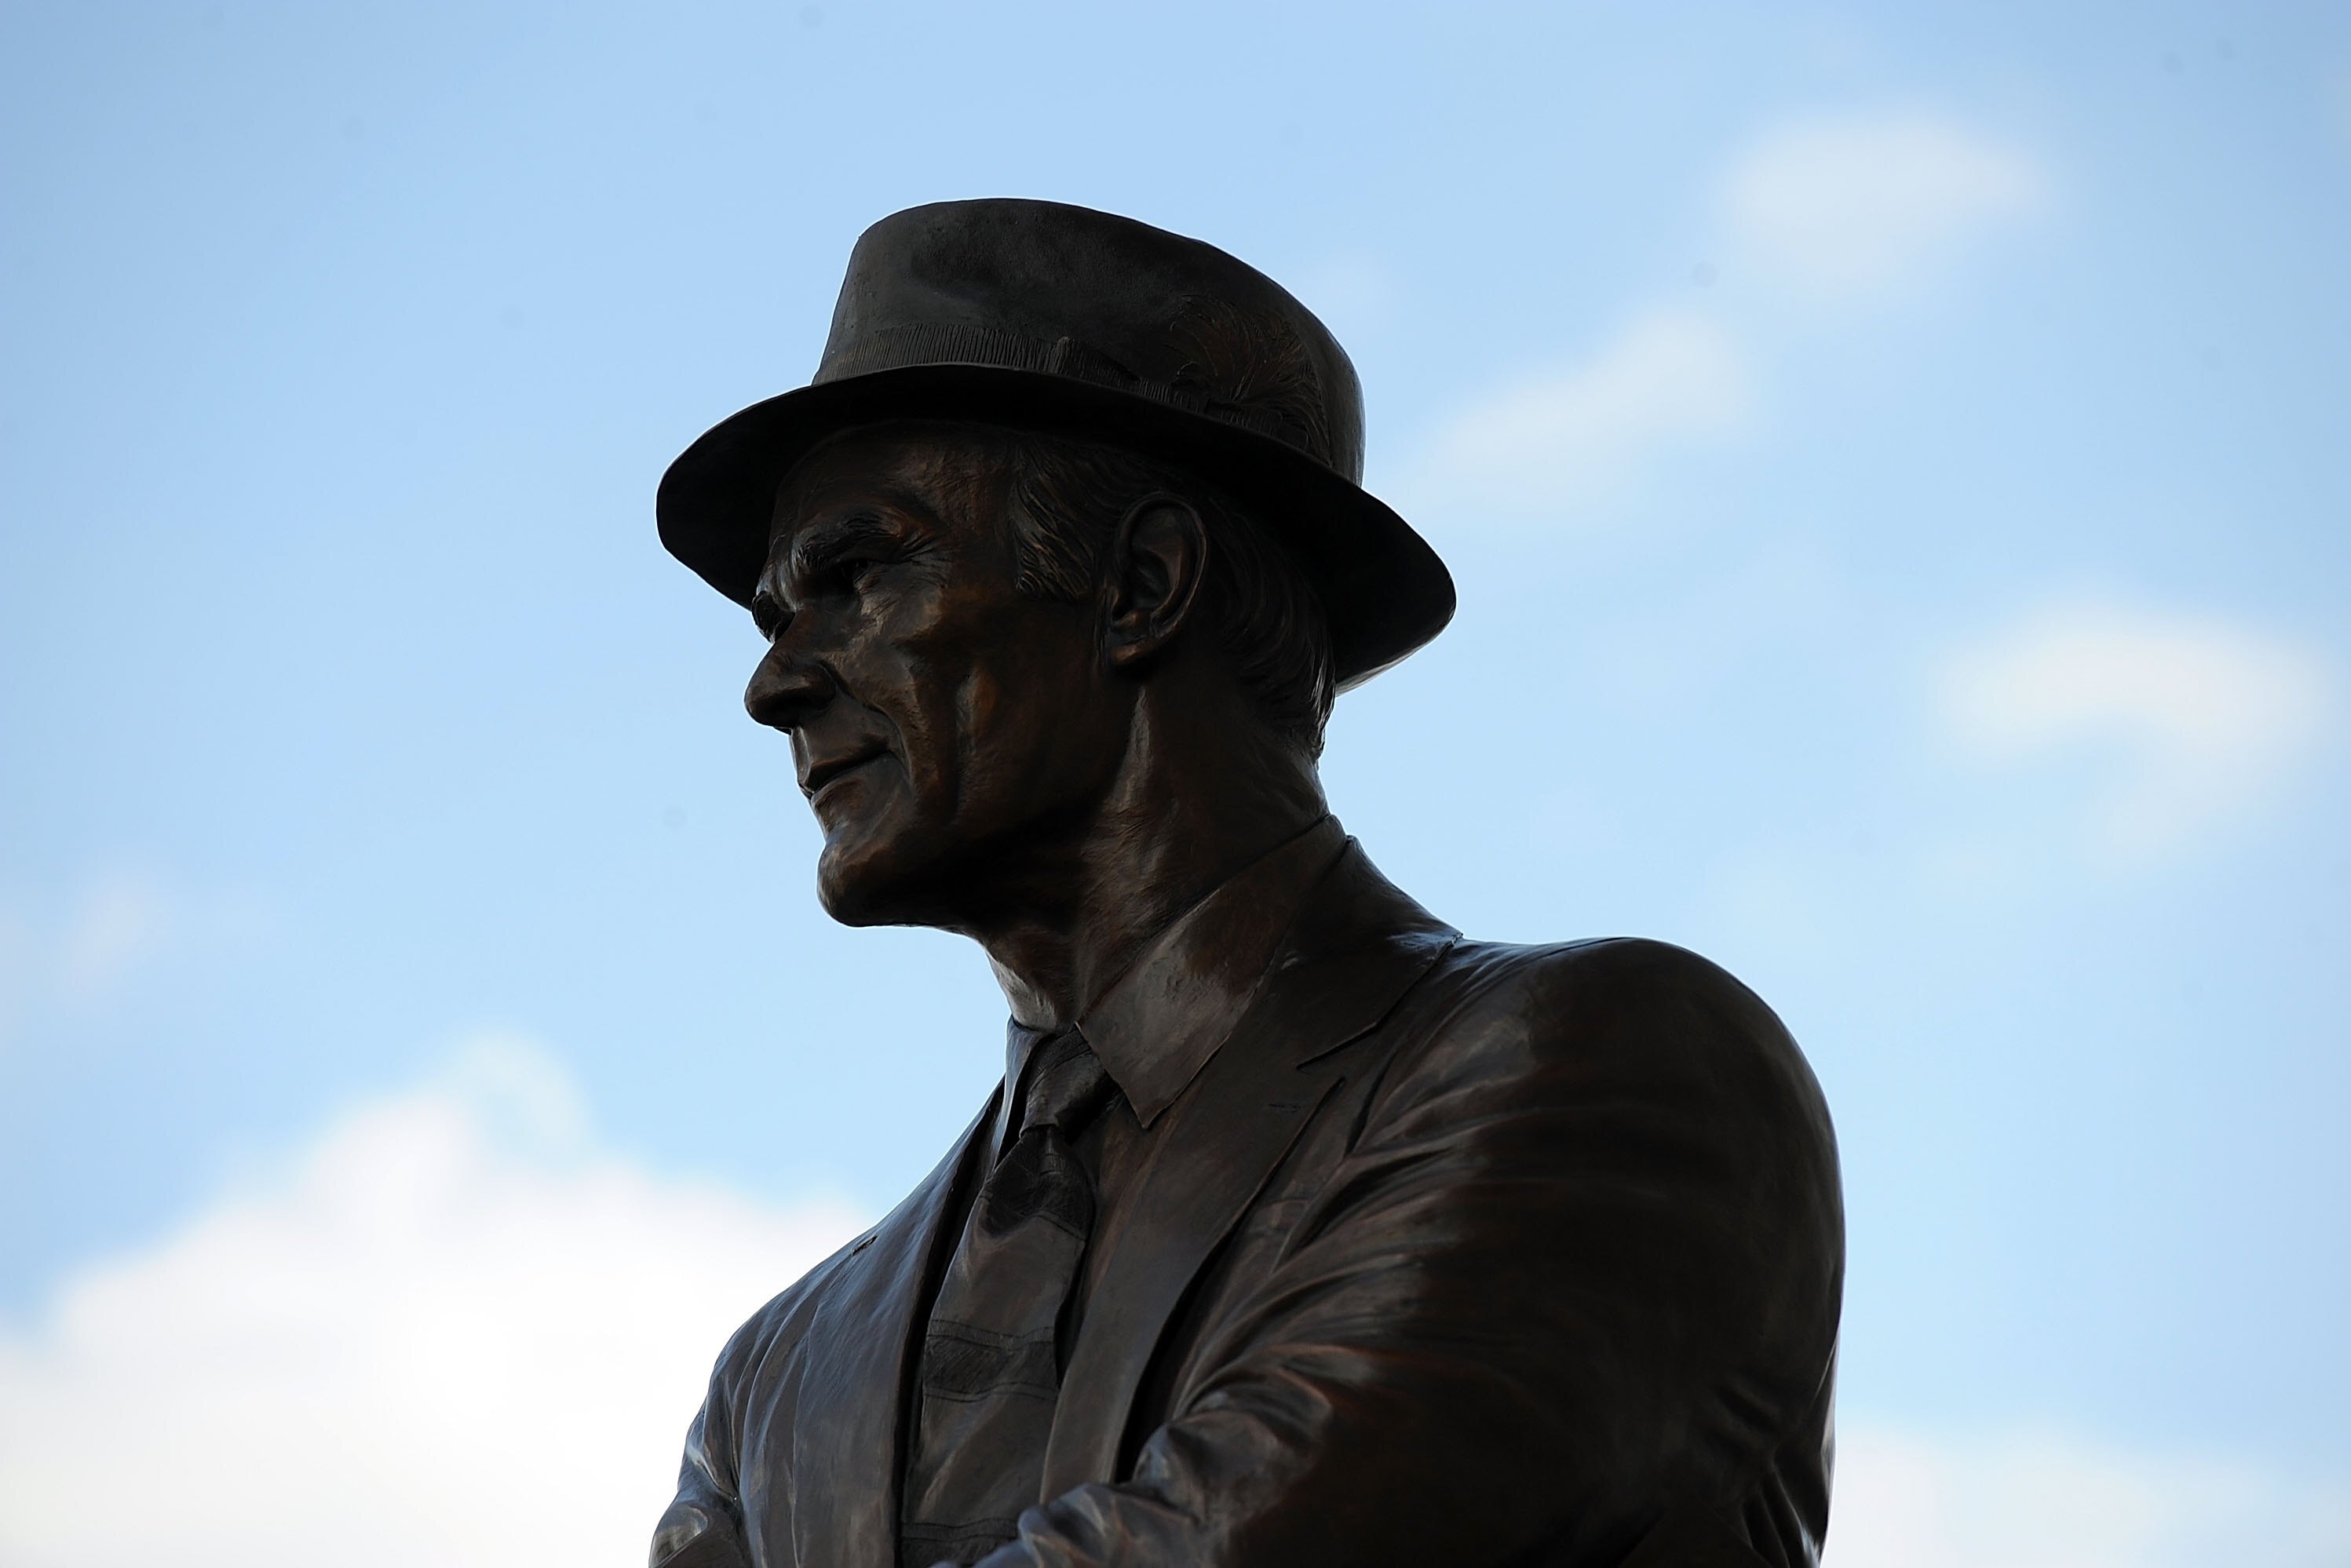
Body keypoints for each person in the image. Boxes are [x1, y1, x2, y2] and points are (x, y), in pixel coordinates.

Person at [648, 199, 1842, 1568]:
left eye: (856, 574)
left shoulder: (1605, 1073)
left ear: (1142, 583)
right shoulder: (780, 1384)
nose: (776, 681)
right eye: (773, 615)